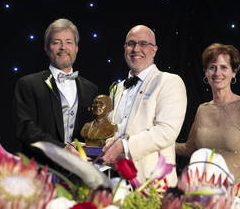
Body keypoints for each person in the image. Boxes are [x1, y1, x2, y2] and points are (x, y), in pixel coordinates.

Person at [175, 43, 240, 206]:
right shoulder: (203, 109)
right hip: (208, 200)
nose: (217, 73)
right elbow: (191, 148)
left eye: (224, 67)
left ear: (233, 72)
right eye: (212, 67)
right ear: (206, 73)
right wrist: (159, 144)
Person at [101, 25, 187, 187]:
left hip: (154, 184)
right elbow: (115, 129)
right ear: (124, 48)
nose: (136, 49)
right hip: (117, 182)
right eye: (131, 43)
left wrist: (123, 146)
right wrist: (102, 143)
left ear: (154, 50)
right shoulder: (118, 88)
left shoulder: (169, 81)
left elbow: (166, 131)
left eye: (143, 44)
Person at [14, 18, 98, 166]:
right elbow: (26, 130)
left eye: (69, 42)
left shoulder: (91, 89)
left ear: (76, 48)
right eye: (56, 42)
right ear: (47, 48)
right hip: (41, 170)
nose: (63, 47)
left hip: (79, 173)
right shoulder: (28, 84)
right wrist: (62, 149)